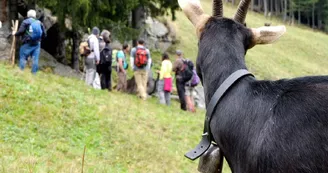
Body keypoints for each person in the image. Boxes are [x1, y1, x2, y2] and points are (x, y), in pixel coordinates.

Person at [13, 9, 46, 74]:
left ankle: (20, 71)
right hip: (37, 44)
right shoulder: (39, 22)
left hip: (27, 43)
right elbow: (44, 34)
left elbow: (21, 31)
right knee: (35, 59)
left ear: (28, 15)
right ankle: (34, 74)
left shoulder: (26, 21)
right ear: (34, 15)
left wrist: (15, 33)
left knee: (23, 57)